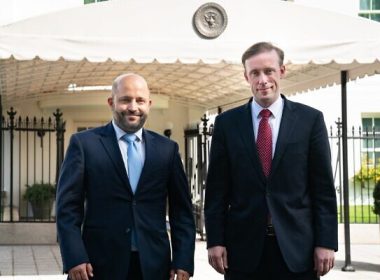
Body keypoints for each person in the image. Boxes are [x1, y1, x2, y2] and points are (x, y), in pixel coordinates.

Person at [204, 42, 337, 280]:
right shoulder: (227, 124)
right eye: (255, 73)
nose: (262, 80)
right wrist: (214, 240)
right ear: (246, 77)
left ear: (282, 71)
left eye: (269, 71)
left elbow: (323, 190)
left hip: (298, 251)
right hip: (243, 251)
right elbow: (216, 191)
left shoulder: (310, 121)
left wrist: (326, 242)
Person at [56, 73, 195, 280]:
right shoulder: (84, 145)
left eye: (140, 100)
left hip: (154, 266)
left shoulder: (167, 150)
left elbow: (182, 211)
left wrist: (183, 260)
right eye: (125, 100)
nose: (133, 107)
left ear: (149, 104)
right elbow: (67, 208)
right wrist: (74, 256)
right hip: (97, 265)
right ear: (112, 102)